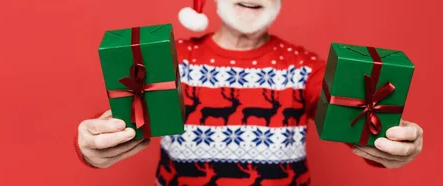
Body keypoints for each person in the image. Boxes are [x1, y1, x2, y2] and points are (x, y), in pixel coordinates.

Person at [74, 0, 424, 185]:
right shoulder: (168, 59)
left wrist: (388, 142)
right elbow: (123, 113)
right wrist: (93, 145)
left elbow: (354, 111)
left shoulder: (306, 67)